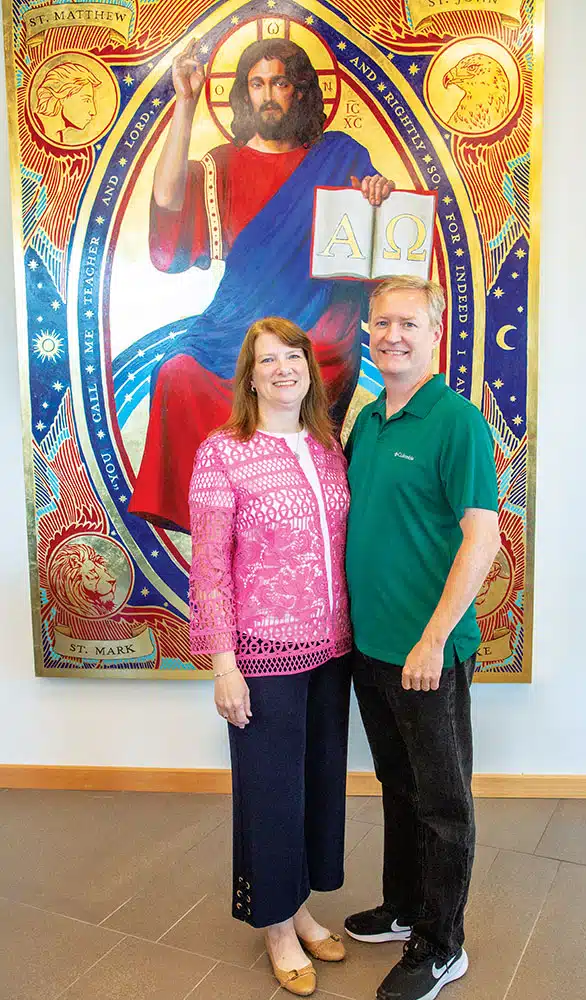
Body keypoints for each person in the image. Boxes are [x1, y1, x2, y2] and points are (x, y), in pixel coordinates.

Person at [129, 36, 394, 532]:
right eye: (257, 83)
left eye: (280, 82)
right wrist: (185, 103)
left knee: (295, 368)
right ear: (245, 93)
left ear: (300, 91)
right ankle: (217, 519)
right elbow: (167, 203)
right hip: (234, 323)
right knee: (177, 372)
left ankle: (289, 510)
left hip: (317, 323)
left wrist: (374, 191)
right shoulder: (224, 164)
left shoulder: (339, 155)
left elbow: (376, 243)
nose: (268, 93)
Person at [343, 275, 501, 1000]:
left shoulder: (456, 422)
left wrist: (435, 638)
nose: (391, 336)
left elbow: (481, 537)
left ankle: (441, 946)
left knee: (443, 803)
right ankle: (405, 908)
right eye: (381, 324)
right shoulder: (369, 418)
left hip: (426, 652)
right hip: (371, 648)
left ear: (435, 333)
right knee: (397, 787)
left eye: (407, 323)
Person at [188, 316, 352, 996]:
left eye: (293, 356)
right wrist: (224, 663)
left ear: (309, 369)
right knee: (269, 793)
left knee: (315, 784)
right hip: (263, 652)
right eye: (267, 360)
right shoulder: (222, 451)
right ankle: (275, 927)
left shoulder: (325, 449)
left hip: (333, 649)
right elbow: (209, 567)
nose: (283, 368)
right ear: (249, 377)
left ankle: (301, 904)